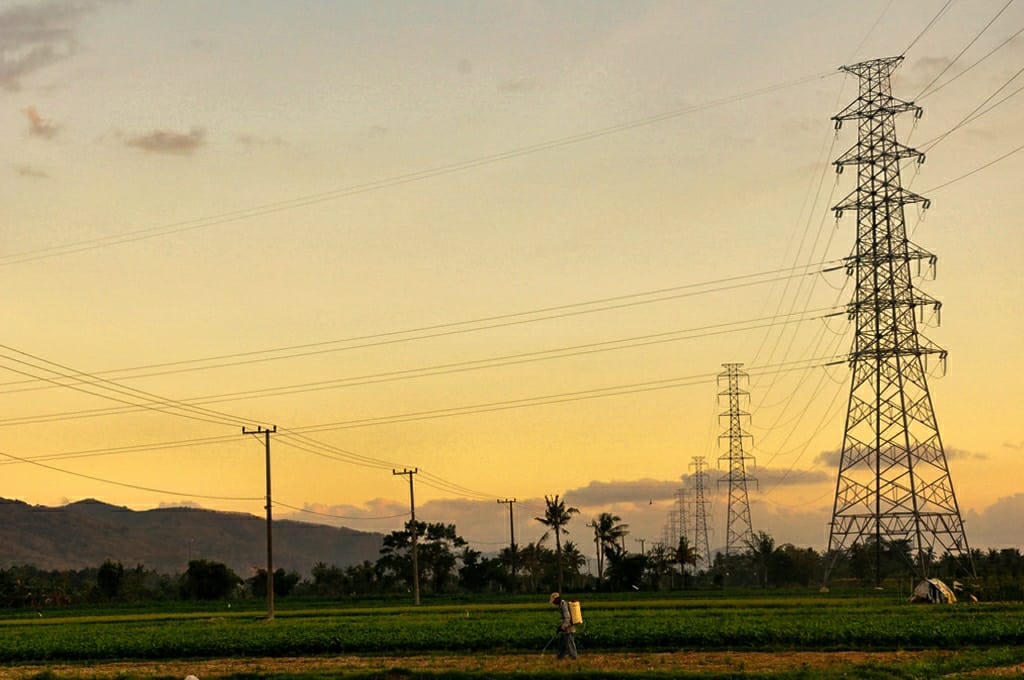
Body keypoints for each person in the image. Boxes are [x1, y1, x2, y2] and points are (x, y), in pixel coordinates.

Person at [549, 592, 578, 660]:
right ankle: (560, 657)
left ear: (557, 599)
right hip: (565, 628)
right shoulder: (561, 605)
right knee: (562, 643)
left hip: (568, 628)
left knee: (570, 644)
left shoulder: (563, 605)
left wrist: (563, 627)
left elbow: (567, 617)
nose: (553, 603)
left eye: (554, 601)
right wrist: (561, 627)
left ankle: (574, 657)